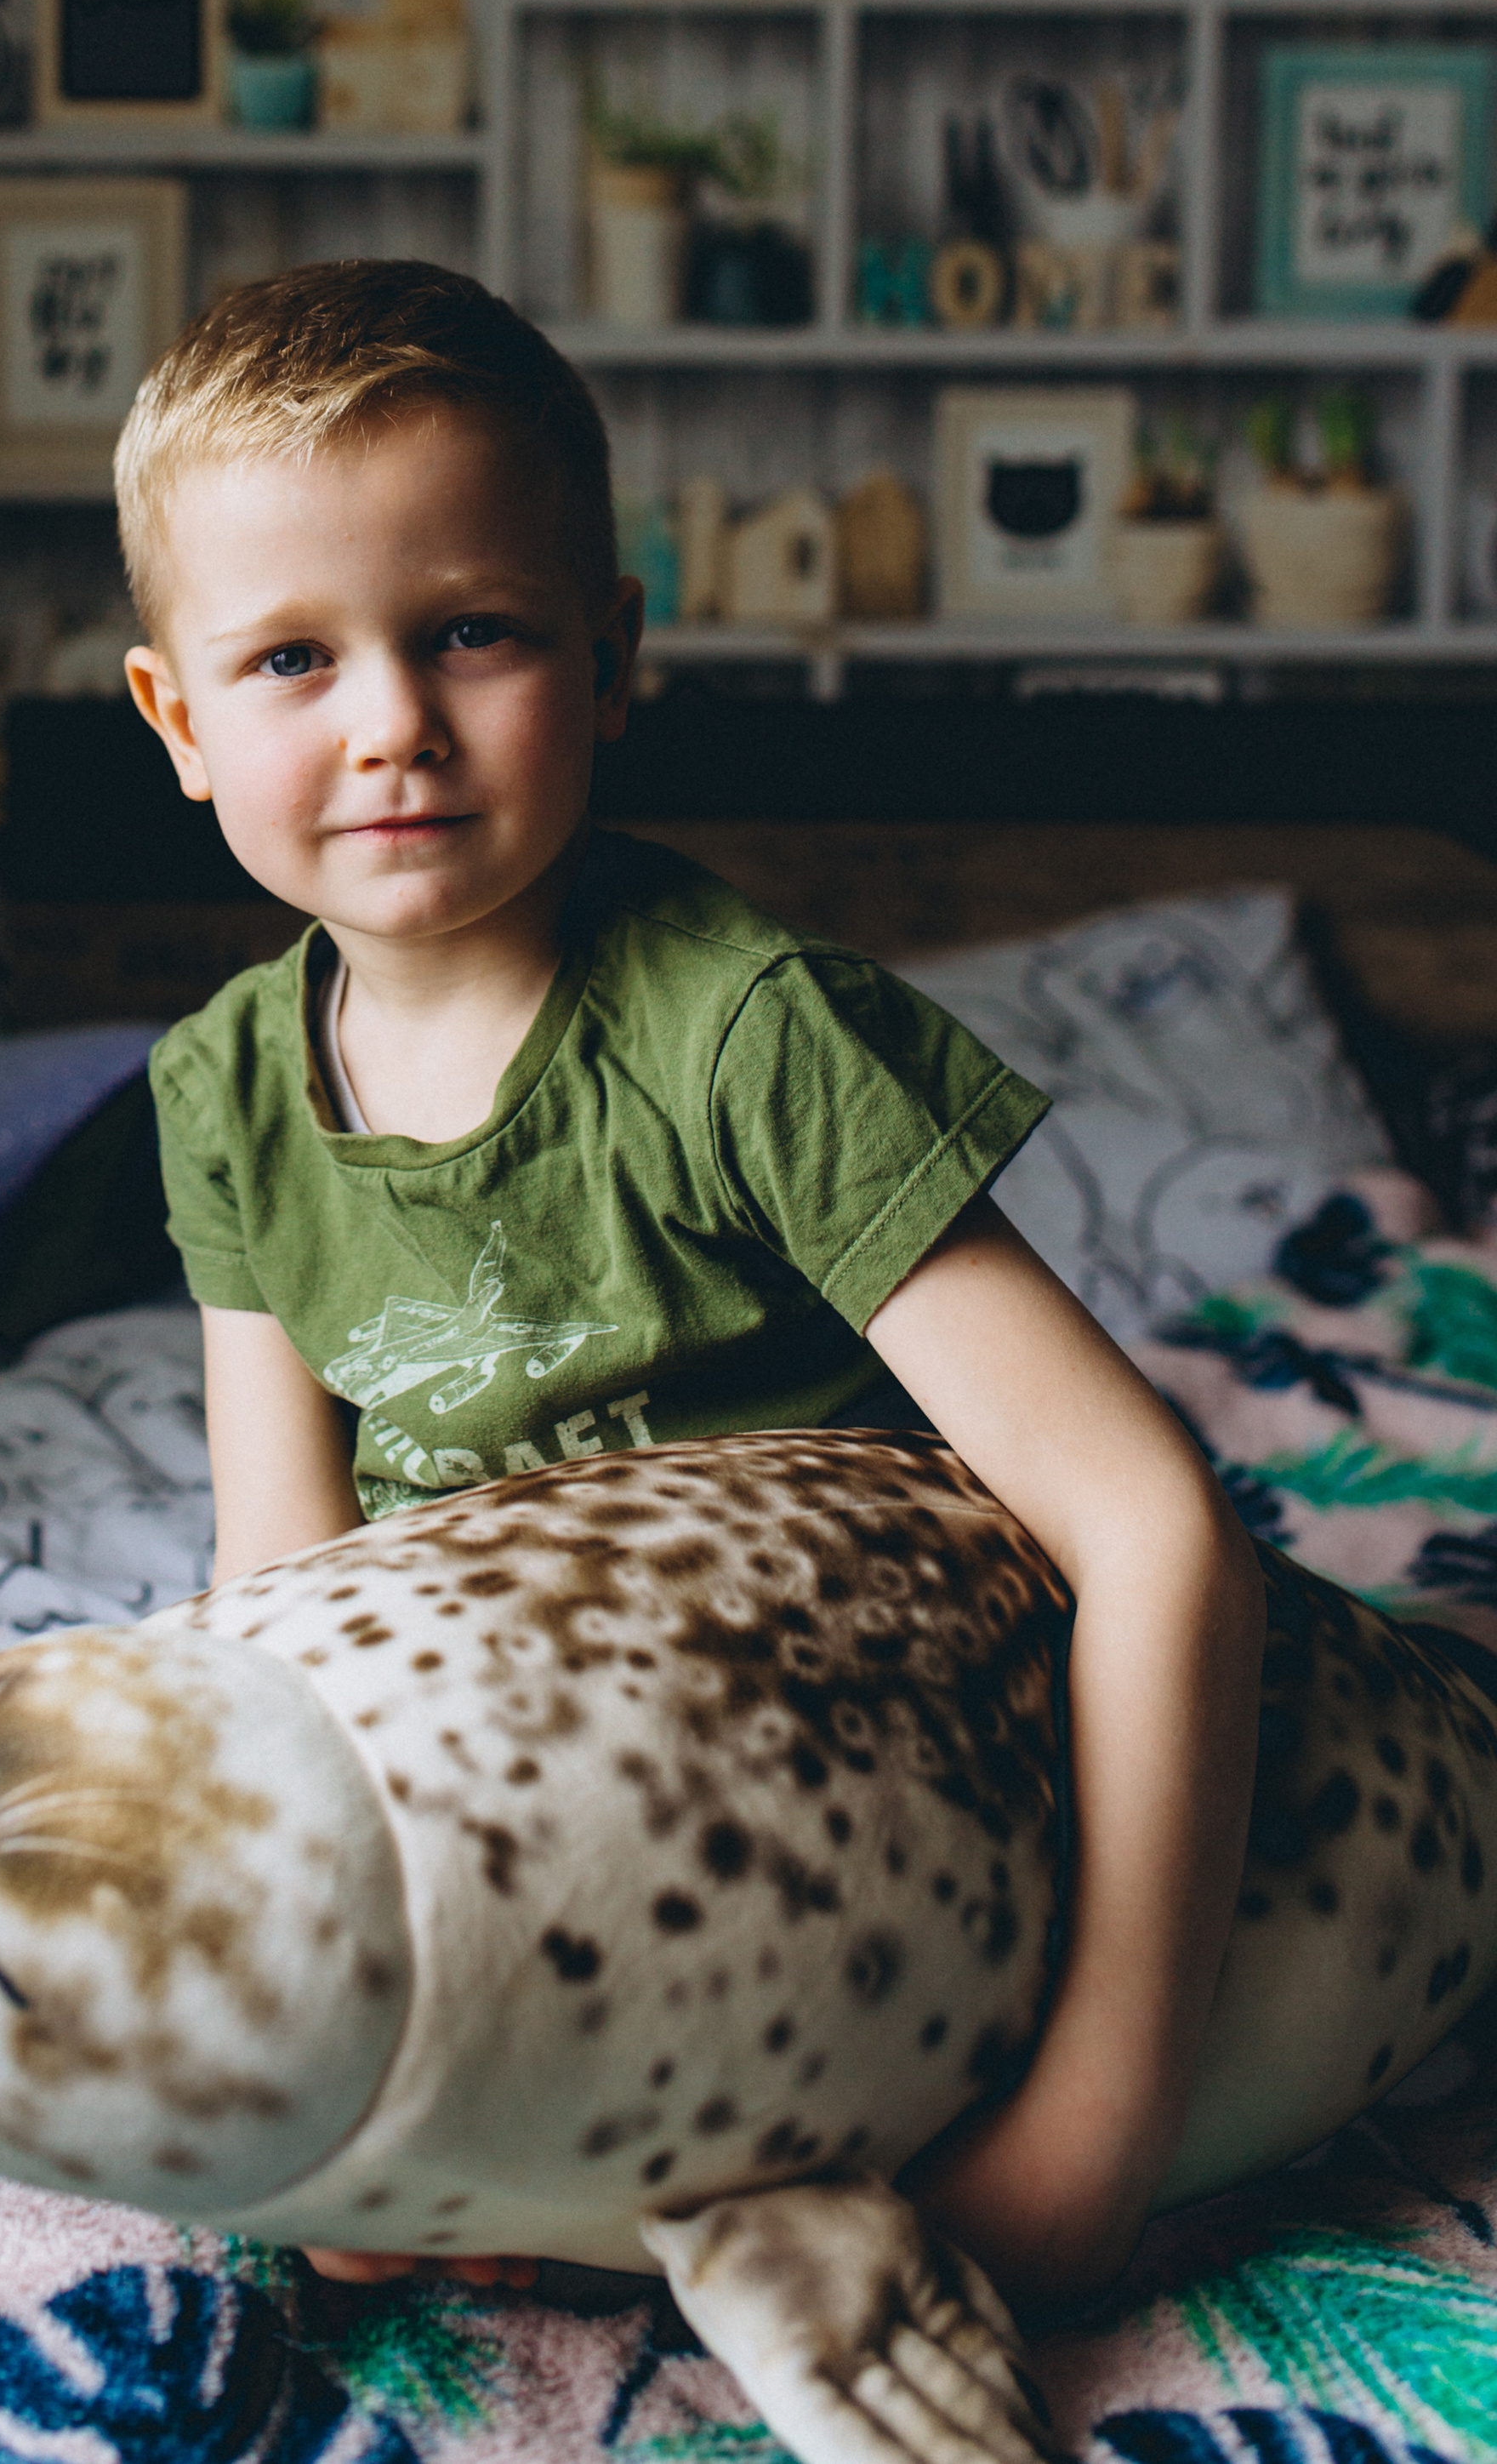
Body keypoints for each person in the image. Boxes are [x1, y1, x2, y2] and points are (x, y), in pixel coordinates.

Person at [119, 256, 1264, 2324]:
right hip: (563, 1819)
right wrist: (311, 2088)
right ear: (175, 724)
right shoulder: (220, 1091)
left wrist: (1084, 2142)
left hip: (875, 1784)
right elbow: (277, 1605)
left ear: (610, 655)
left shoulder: (744, 1037)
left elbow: (1154, 1528)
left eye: (469, 630)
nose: (389, 723)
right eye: (291, 658)